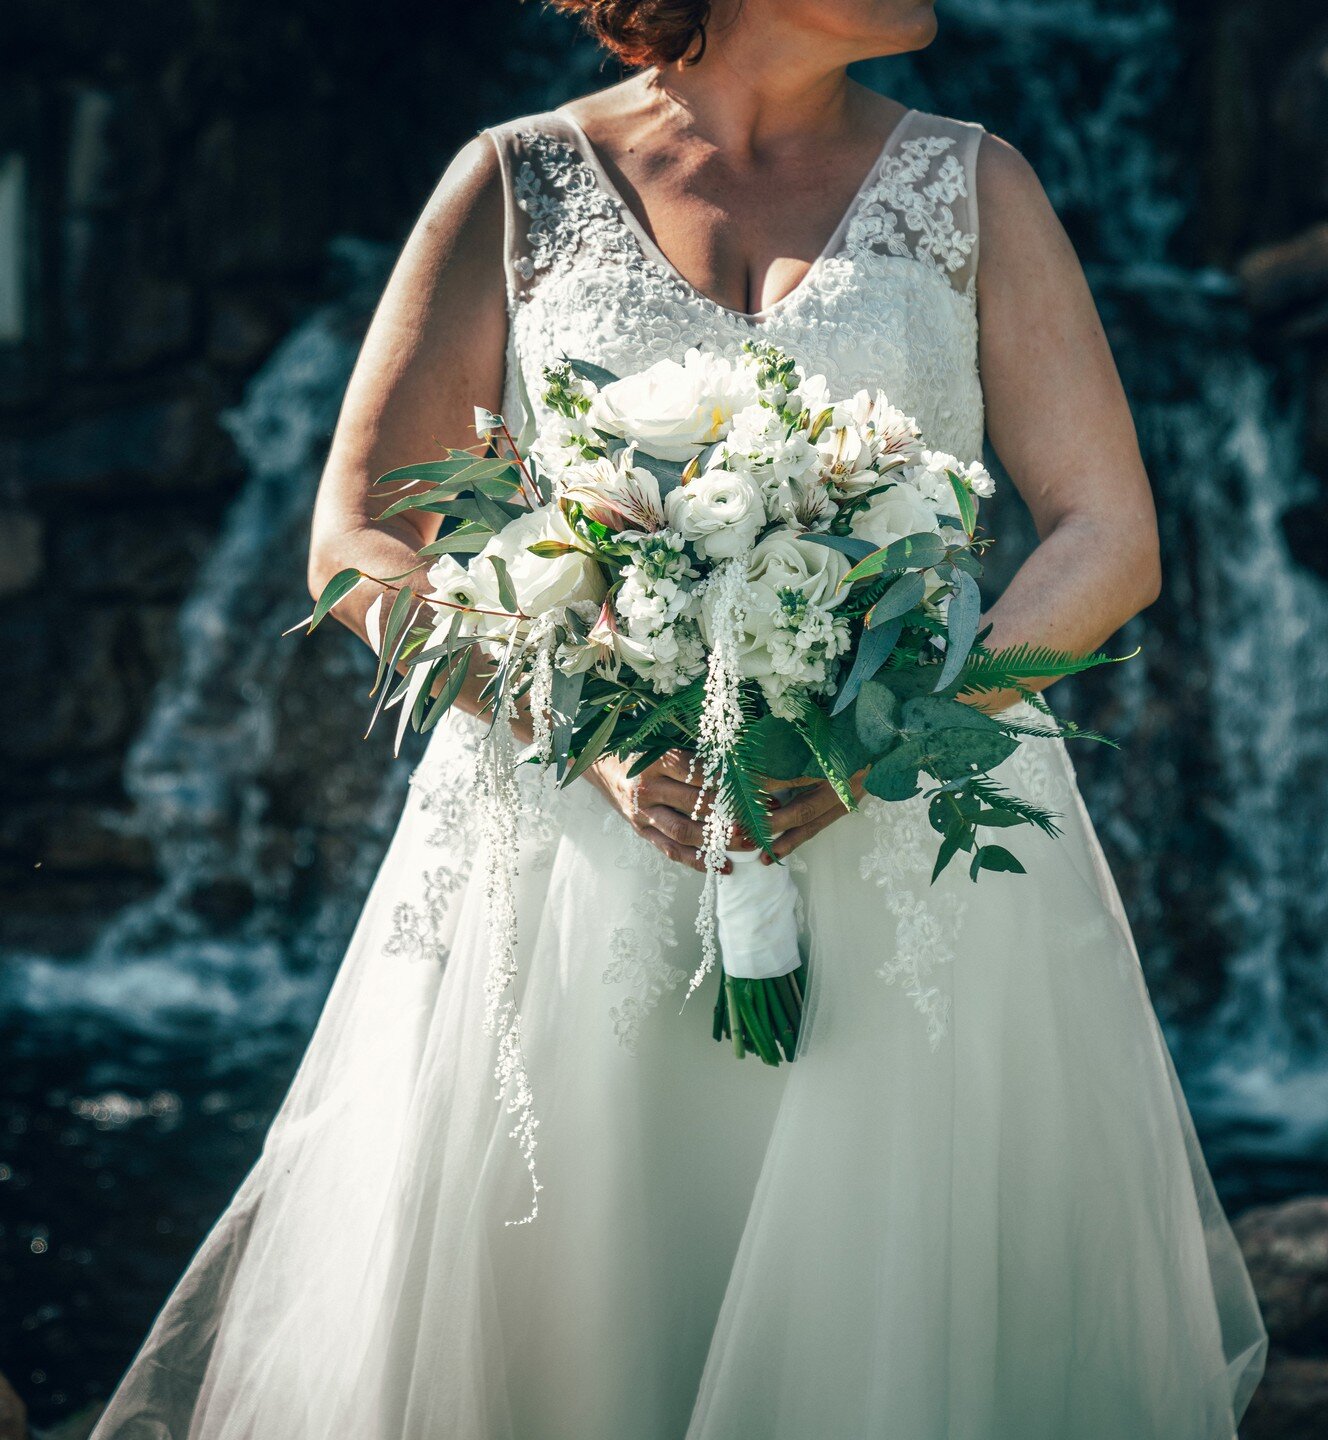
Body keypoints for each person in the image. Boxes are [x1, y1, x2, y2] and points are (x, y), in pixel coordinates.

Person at [92, 1, 1267, 1435]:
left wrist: (911, 728)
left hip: (907, 853)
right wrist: (572, 718)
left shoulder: (979, 182)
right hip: (584, 843)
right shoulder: (514, 181)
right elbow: (356, 535)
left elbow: (1106, 533)